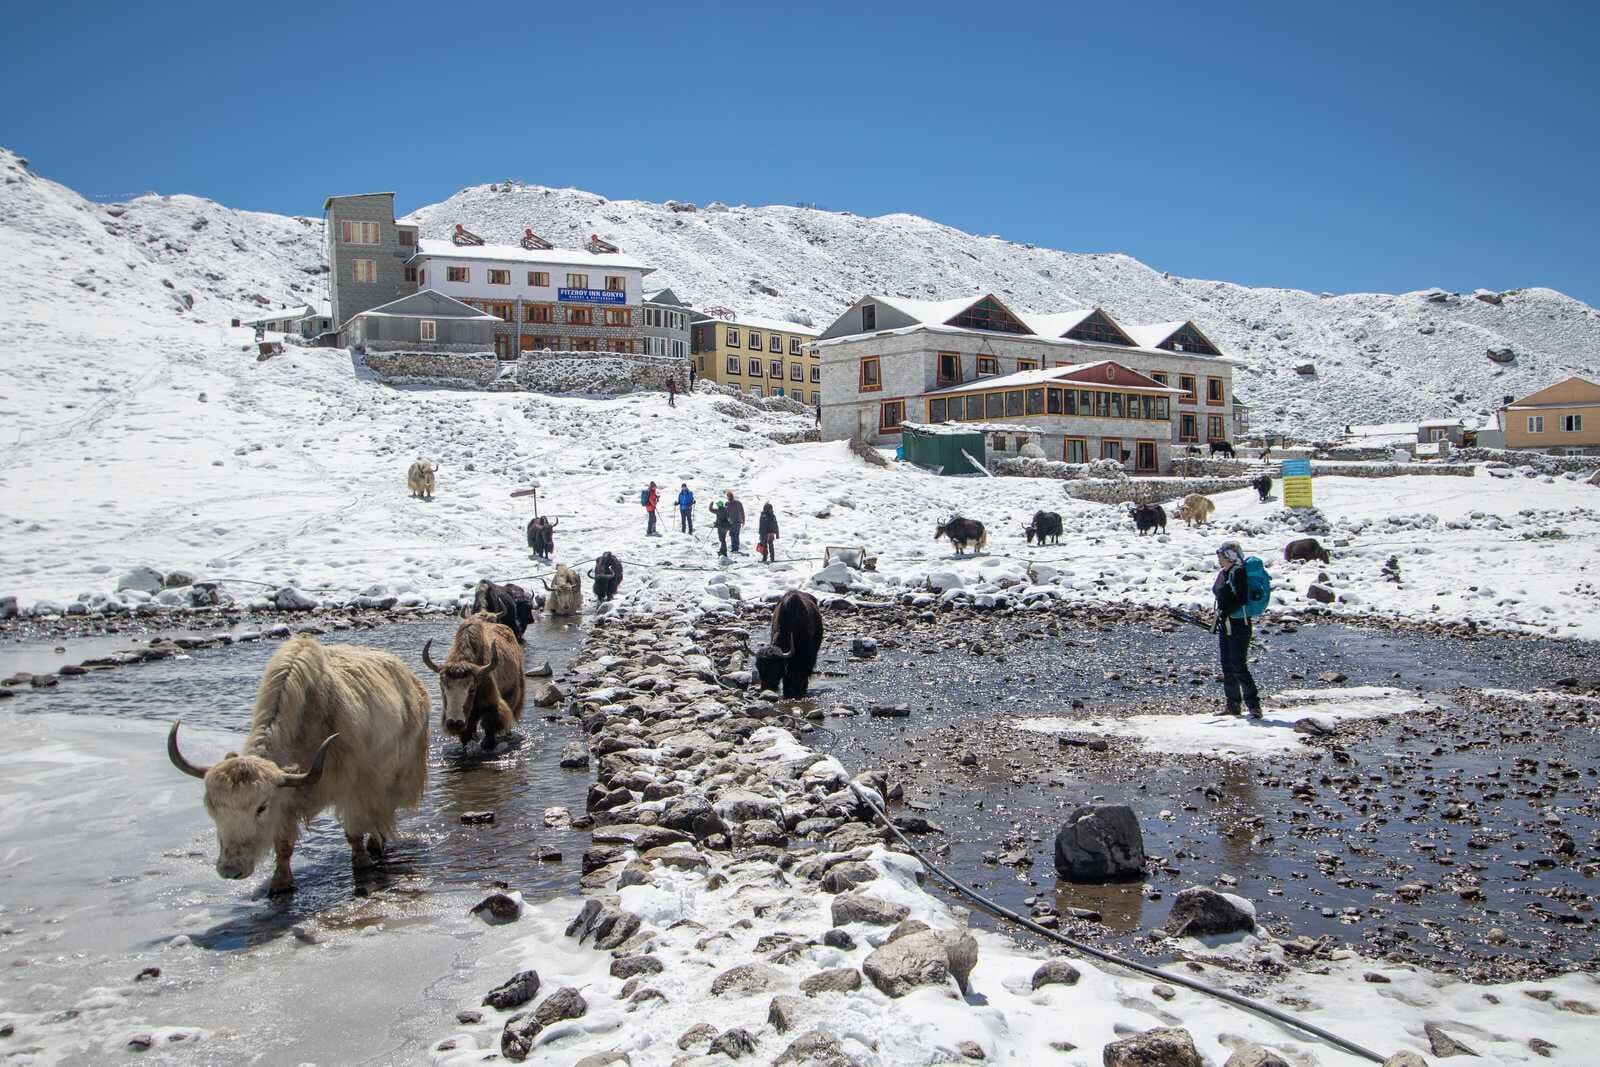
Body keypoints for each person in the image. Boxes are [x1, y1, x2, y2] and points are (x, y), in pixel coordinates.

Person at [1213, 540, 1262, 718]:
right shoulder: (1224, 573)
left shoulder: (1239, 572)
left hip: (1239, 623)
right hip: (1226, 623)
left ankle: (1254, 706)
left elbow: (1241, 598)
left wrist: (1225, 612)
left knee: (1238, 664)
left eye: (1220, 556)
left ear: (1229, 556)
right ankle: (1232, 705)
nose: (1218, 559)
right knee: (1227, 665)